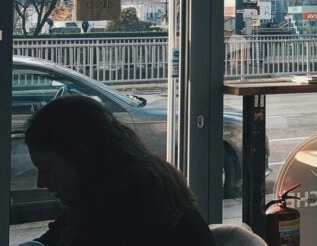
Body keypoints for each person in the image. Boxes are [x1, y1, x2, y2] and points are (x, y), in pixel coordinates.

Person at [24, 95, 216, 246]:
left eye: (47, 168)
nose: (41, 182)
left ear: (81, 154)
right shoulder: (129, 186)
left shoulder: (122, 207)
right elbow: (56, 235)